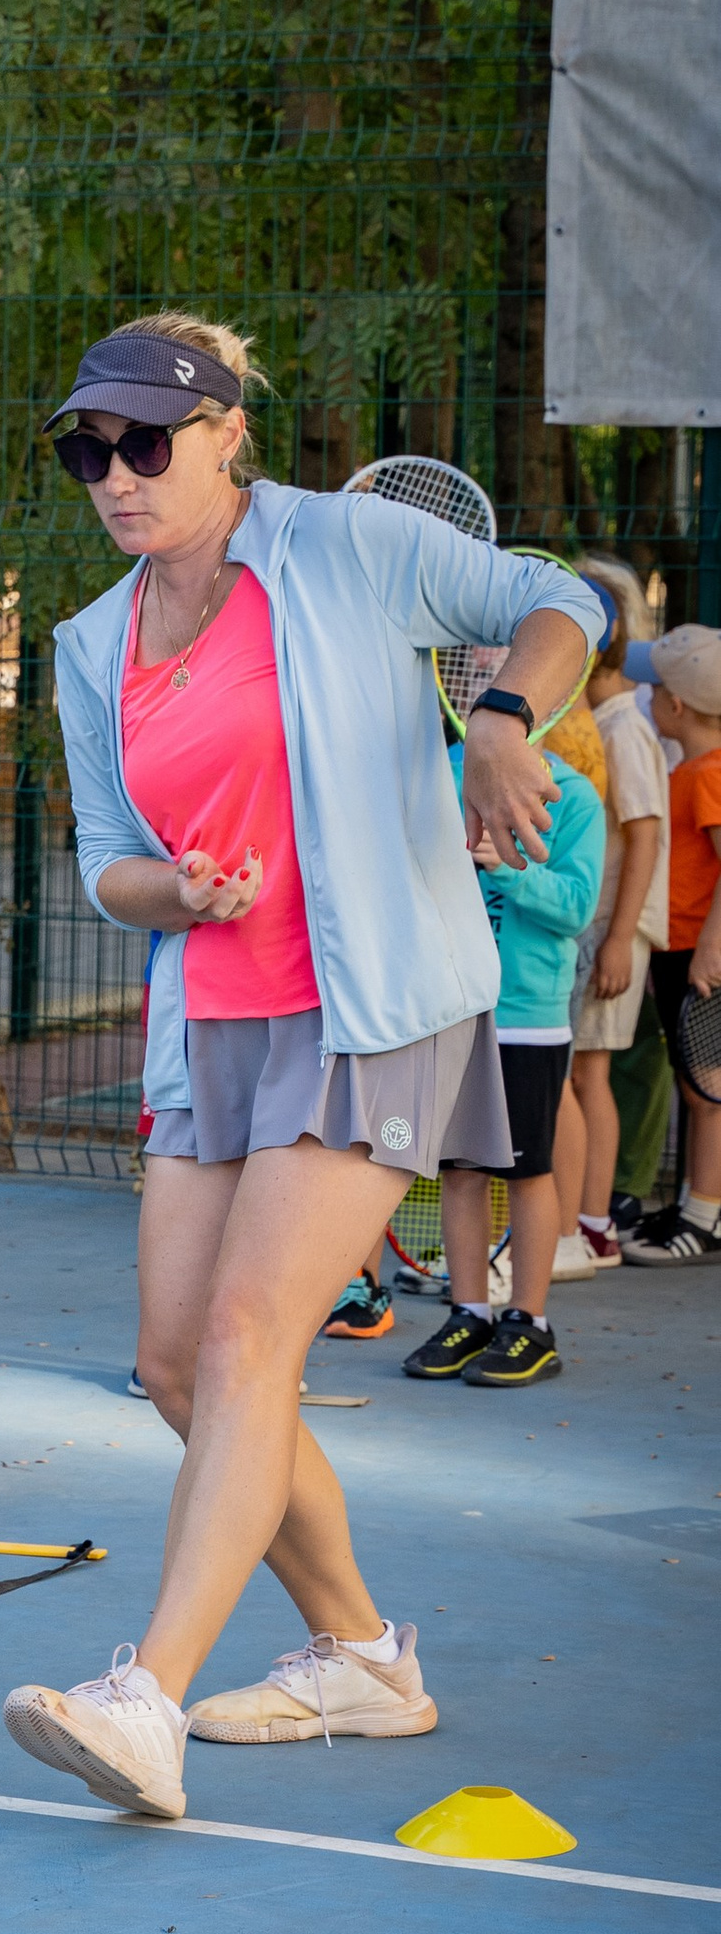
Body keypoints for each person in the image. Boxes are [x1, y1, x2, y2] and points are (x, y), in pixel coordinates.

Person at [0, 315, 600, 1818]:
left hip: (371, 1003)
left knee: (252, 1337)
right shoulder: (91, 644)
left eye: (148, 443)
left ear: (224, 437)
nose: (118, 475)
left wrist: (506, 721)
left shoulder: (349, 546)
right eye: (93, 450)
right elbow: (105, 866)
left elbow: (561, 599)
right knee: (171, 1364)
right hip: (213, 1022)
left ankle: (142, 1695)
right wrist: (177, 891)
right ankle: (357, 1653)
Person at [400, 712, 601, 1385]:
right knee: (460, 1169)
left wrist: (507, 868)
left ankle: (529, 1323)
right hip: (452, 1007)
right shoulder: (436, 776)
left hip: (526, 1018)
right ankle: (469, 1312)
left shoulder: (572, 794)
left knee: (526, 1171)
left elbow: (576, 907)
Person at [562, 561, 668, 1266]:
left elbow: (646, 834)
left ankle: (593, 1224)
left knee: (587, 1077)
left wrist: (619, 939)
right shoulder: (595, 721)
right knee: (577, 1072)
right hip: (595, 927)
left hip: (612, 933)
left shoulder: (624, 730)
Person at [622, 624, 721, 1264]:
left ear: (676, 706)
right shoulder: (692, 769)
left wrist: (710, 948)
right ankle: (692, 1205)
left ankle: (705, 1216)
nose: (646, 697)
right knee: (696, 1086)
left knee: (707, 1088)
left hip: (700, 954)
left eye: (652, 687)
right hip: (682, 948)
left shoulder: (709, 775)